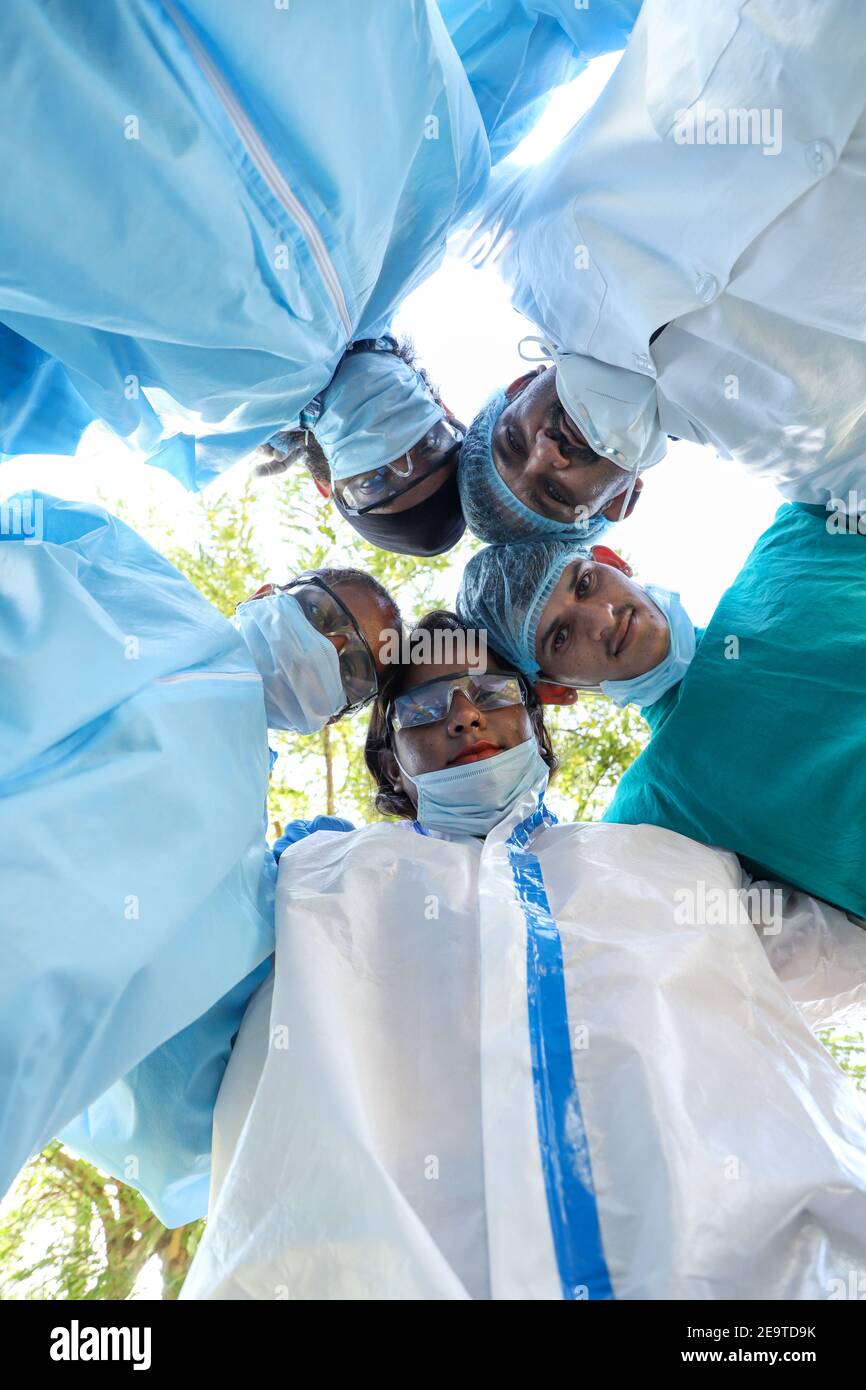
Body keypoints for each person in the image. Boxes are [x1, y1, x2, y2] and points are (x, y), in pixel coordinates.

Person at [170, 612, 866, 1299]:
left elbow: (840, 949)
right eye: (424, 708)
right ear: (390, 762)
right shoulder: (308, 876)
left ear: (537, 724)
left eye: (494, 693)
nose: (467, 717)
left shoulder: (671, 860)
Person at [0, 0, 640, 555]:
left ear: (326, 483)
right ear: (446, 410)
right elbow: (527, 32)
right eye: (431, 450)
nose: (399, 452)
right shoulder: (431, 215)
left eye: (380, 482)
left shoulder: (185, 417)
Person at [0, 491, 400, 1216]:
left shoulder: (246, 883)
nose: (331, 653)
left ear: (330, 720)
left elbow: (173, 1124)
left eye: (354, 677)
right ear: (267, 594)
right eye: (327, 620)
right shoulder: (128, 574)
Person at [457, 0, 866, 545]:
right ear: (622, 501)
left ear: (518, 387)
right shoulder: (801, 461)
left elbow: (407, 178)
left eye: (514, 441)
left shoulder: (518, 244)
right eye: (556, 494)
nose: (547, 453)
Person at [456, 500, 866, 919]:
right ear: (553, 691)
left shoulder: (798, 540)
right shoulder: (651, 817)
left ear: (611, 560)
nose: (602, 619)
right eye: (560, 637)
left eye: (585, 584)